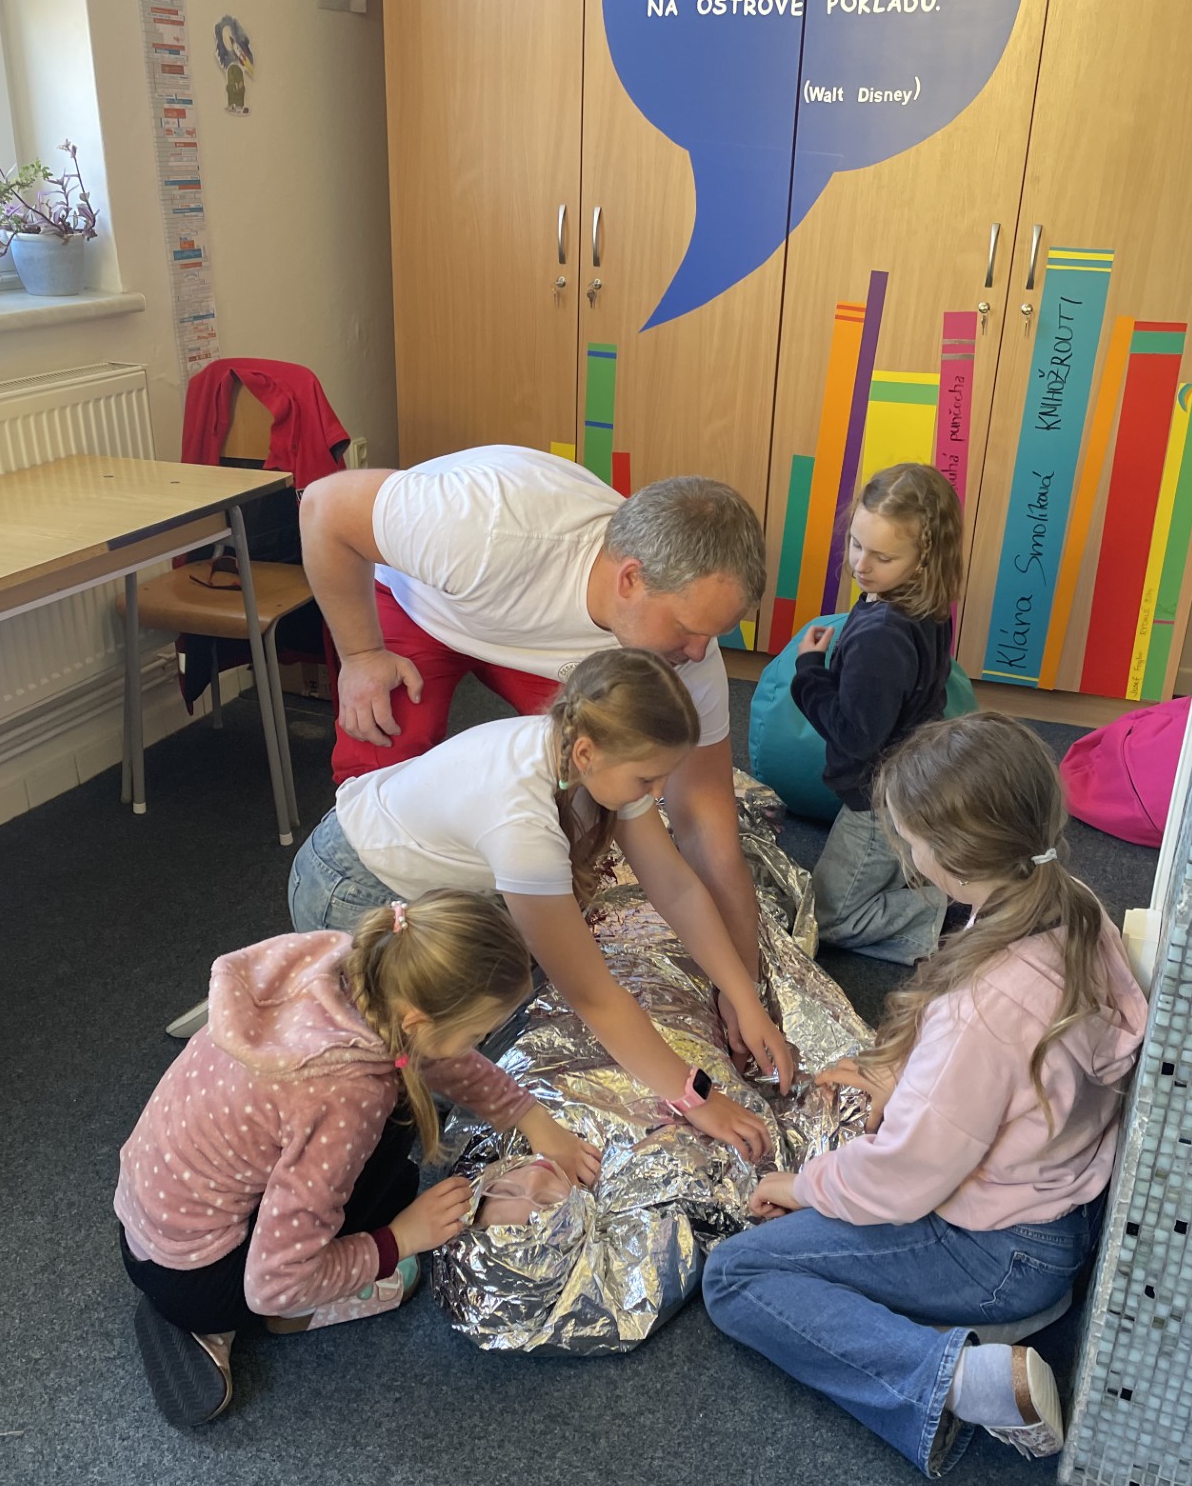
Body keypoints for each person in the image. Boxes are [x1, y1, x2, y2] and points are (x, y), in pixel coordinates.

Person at [702, 713, 1148, 1476]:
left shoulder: (986, 1005)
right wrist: (905, 1074)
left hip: (1001, 1250)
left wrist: (803, 1187)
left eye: (908, 840)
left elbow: (903, 1178)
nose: (906, 853)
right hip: (1049, 1213)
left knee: (737, 1276)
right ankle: (1000, 1317)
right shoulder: (1063, 895)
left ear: (951, 855)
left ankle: (956, 1376)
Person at [288, 649, 795, 1157]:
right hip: (351, 887)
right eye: (647, 780)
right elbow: (593, 997)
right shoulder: (522, 824)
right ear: (587, 755)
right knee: (438, 1054)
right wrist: (697, 1097)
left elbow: (676, 887)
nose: (658, 791)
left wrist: (745, 1000)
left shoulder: (590, 751)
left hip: (411, 865)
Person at [299, 445, 769, 986]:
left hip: (533, 641)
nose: (699, 651)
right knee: (383, 737)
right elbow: (323, 507)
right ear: (630, 580)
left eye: (714, 634)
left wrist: (743, 983)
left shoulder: (691, 654)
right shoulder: (485, 526)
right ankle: (367, 925)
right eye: (687, 629)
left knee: (588, 779)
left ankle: (513, 896)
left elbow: (706, 823)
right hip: (428, 605)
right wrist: (361, 656)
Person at [116, 891, 587, 1428]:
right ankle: (228, 1324)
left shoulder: (352, 965)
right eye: (475, 1033)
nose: (474, 1043)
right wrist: (400, 1239)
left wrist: (531, 1117)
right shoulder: (345, 1091)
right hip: (199, 1280)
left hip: (143, 1221)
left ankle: (228, 1294)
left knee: (398, 1123)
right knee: (397, 1166)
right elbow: (273, 1284)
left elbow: (427, 1052)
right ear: (418, 1019)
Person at [790, 462, 964, 964]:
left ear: (925, 560)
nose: (861, 565)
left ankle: (948, 913)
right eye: (856, 545)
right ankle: (926, 878)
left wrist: (809, 672)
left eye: (882, 556)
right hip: (911, 781)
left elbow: (854, 736)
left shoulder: (882, 637)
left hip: (878, 800)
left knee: (827, 919)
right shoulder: (920, 602)